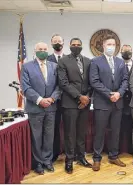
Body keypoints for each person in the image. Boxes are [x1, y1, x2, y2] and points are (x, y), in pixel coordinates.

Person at [89, 35, 128, 171]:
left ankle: (113, 156)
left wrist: (119, 93)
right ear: (103, 46)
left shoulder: (120, 62)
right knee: (99, 132)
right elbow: (94, 81)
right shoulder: (95, 61)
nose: (111, 47)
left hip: (118, 102)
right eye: (109, 44)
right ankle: (97, 158)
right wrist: (109, 94)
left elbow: (125, 80)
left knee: (116, 132)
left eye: (113, 45)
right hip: (102, 103)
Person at [21, 42, 60, 175]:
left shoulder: (55, 66)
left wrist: (52, 98)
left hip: (51, 107)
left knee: (49, 136)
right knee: (36, 137)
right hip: (35, 108)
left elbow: (59, 86)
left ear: (48, 51)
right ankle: (37, 163)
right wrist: (40, 100)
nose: (42, 51)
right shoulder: (26, 67)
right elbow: (26, 87)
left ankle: (47, 160)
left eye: (45, 49)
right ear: (35, 51)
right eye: (40, 49)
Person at [57, 38, 92, 174]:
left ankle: (81, 157)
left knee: (82, 132)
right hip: (70, 103)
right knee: (70, 133)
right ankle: (69, 160)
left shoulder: (88, 61)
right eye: (74, 45)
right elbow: (63, 83)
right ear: (70, 46)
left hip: (85, 104)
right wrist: (79, 97)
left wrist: (87, 98)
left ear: (82, 46)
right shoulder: (63, 61)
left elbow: (91, 81)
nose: (76, 47)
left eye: (78, 45)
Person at [47, 33, 65, 162]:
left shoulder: (70, 59)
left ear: (63, 43)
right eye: (55, 41)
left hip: (69, 100)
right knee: (53, 128)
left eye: (59, 41)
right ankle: (55, 153)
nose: (57, 43)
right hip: (53, 100)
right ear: (51, 43)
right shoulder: (47, 59)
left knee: (70, 128)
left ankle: (71, 153)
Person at [119, 44, 133, 155]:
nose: (127, 52)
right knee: (119, 127)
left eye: (129, 51)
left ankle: (132, 149)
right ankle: (118, 150)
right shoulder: (116, 65)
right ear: (121, 52)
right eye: (124, 51)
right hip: (119, 101)